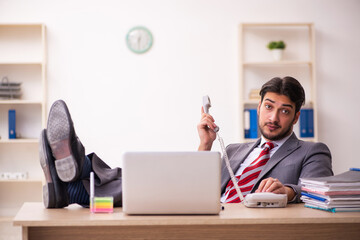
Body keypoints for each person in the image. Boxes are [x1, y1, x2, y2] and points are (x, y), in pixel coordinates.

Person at [197, 76, 333, 203]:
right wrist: (205, 144)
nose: (273, 118)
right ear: (259, 108)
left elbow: (318, 192)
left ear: (296, 117)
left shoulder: (313, 152)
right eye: (268, 107)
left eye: (284, 111)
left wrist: (288, 191)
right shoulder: (232, 151)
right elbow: (199, 190)